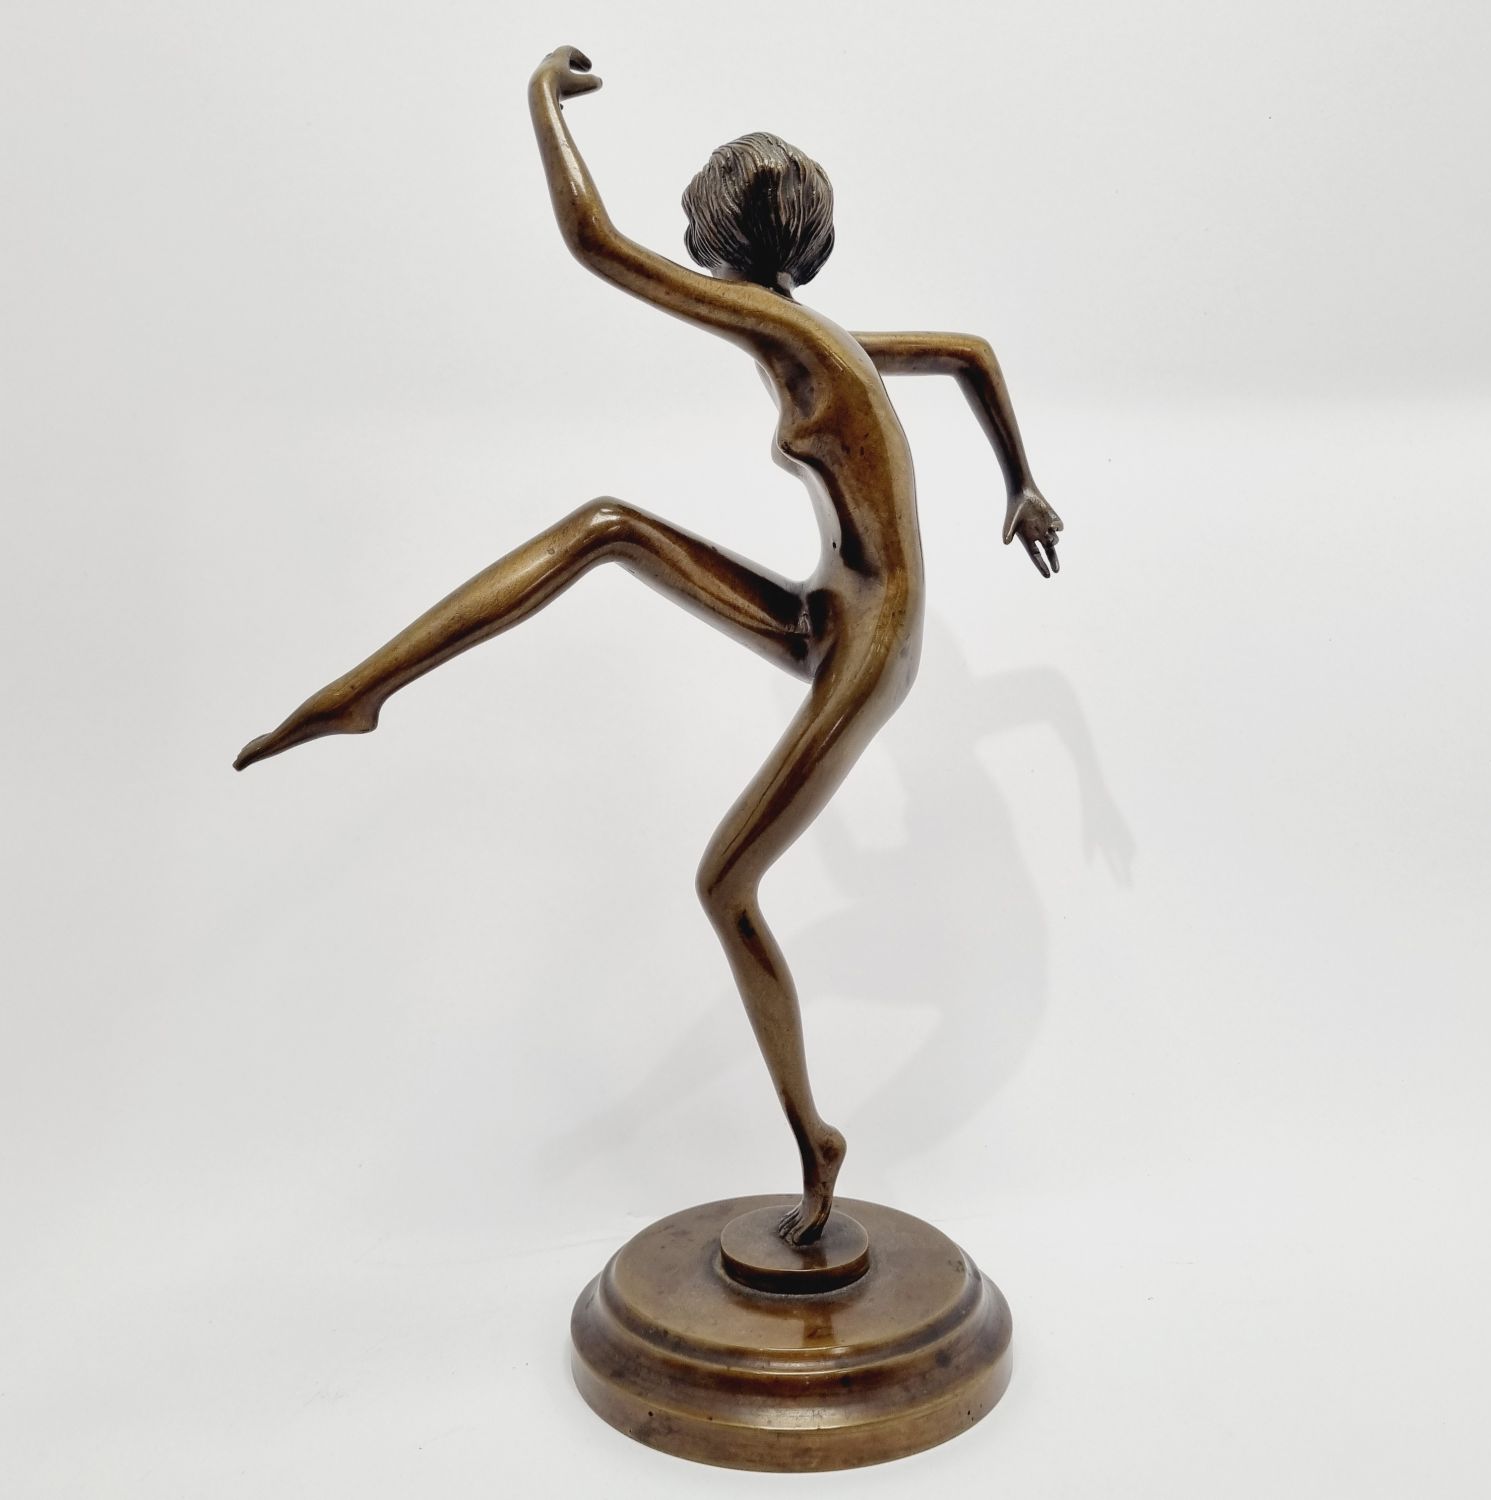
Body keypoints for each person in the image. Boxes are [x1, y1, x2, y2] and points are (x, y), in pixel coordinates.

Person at [234, 46, 1063, 1245]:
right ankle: (364, 693)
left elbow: (593, 242)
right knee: (608, 528)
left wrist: (541, 100)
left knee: (725, 885)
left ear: (717, 238)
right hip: (824, 611)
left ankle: (816, 1143)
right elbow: (971, 352)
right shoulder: (813, 335)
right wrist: (1021, 486)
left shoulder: (780, 329)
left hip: (869, 642)